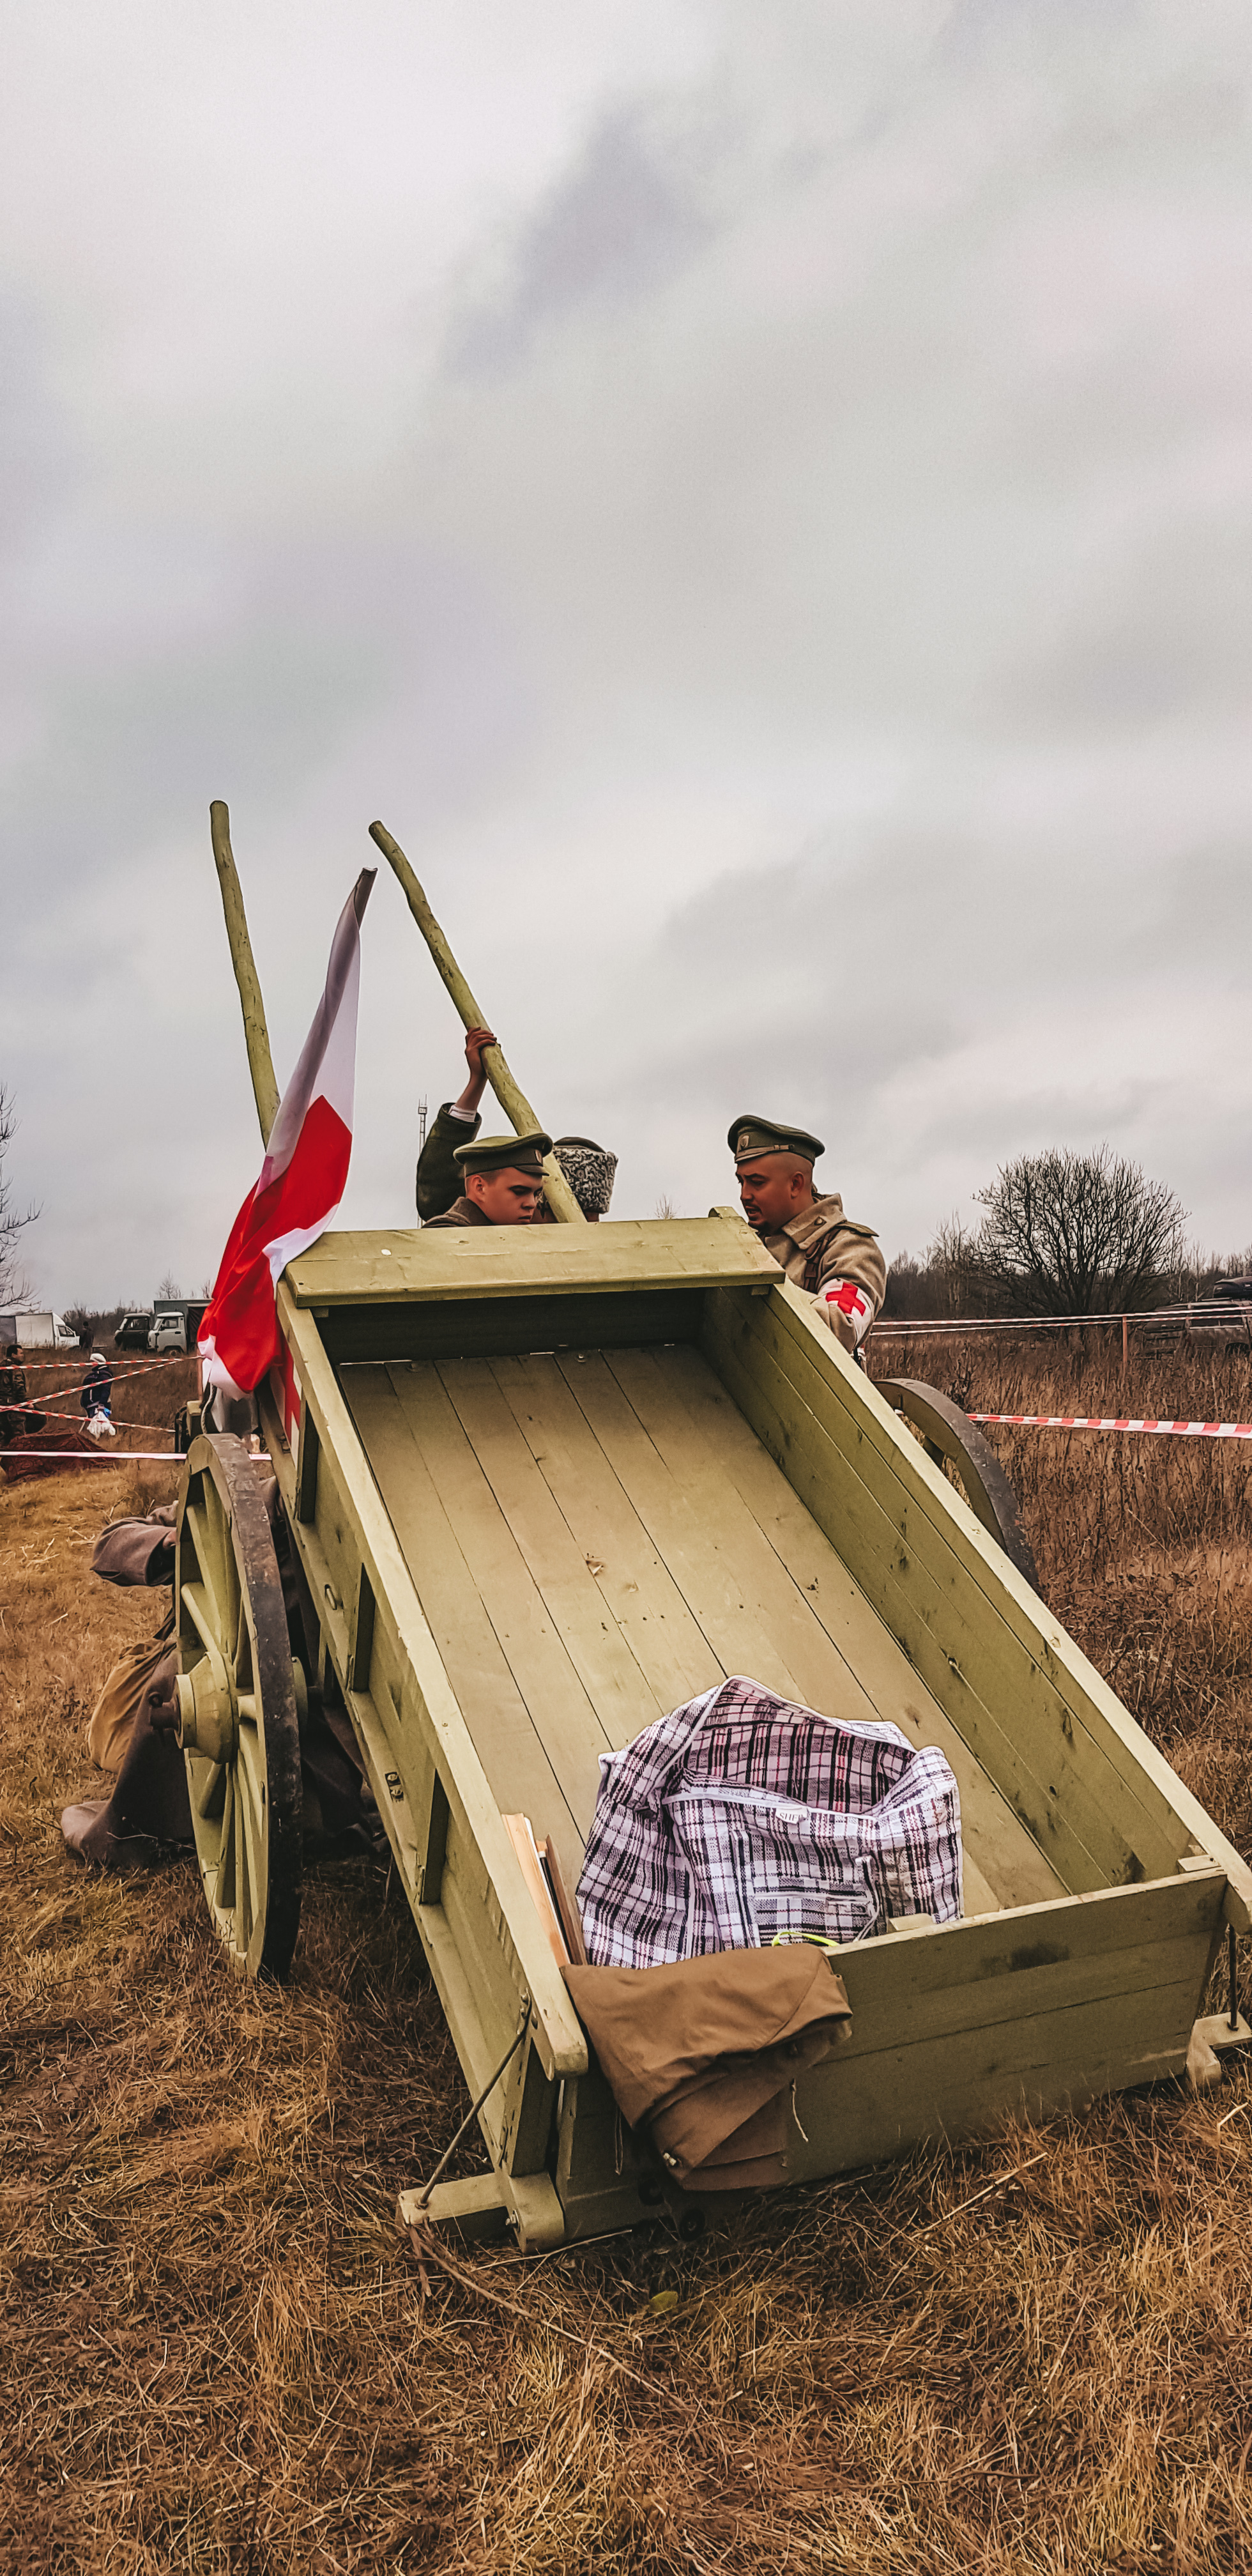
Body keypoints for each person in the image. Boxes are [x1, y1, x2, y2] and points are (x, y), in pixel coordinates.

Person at [417, 1027, 618, 1222]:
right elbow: (437, 1193)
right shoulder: (491, 1227)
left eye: (594, 1218)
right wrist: (477, 1081)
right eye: (579, 1213)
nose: (588, 1225)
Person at [729, 1116, 885, 1359]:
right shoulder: (742, 1246)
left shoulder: (850, 1249)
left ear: (795, 1184)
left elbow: (840, 1327)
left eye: (757, 1183)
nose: (744, 1195)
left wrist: (766, 1290)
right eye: (741, 1182)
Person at [423, 1130, 553, 1229]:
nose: (531, 1204)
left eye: (537, 1194)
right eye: (519, 1191)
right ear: (480, 1187)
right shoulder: (447, 1234)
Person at [80, 1351, 113, 1422]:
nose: (91, 1364)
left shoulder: (104, 1375)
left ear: (97, 1362)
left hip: (98, 1407)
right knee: (94, 1428)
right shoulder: (96, 1374)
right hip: (92, 1406)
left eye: (92, 1361)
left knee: (99, 1428)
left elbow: (106, 1391)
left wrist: (101, 1405)